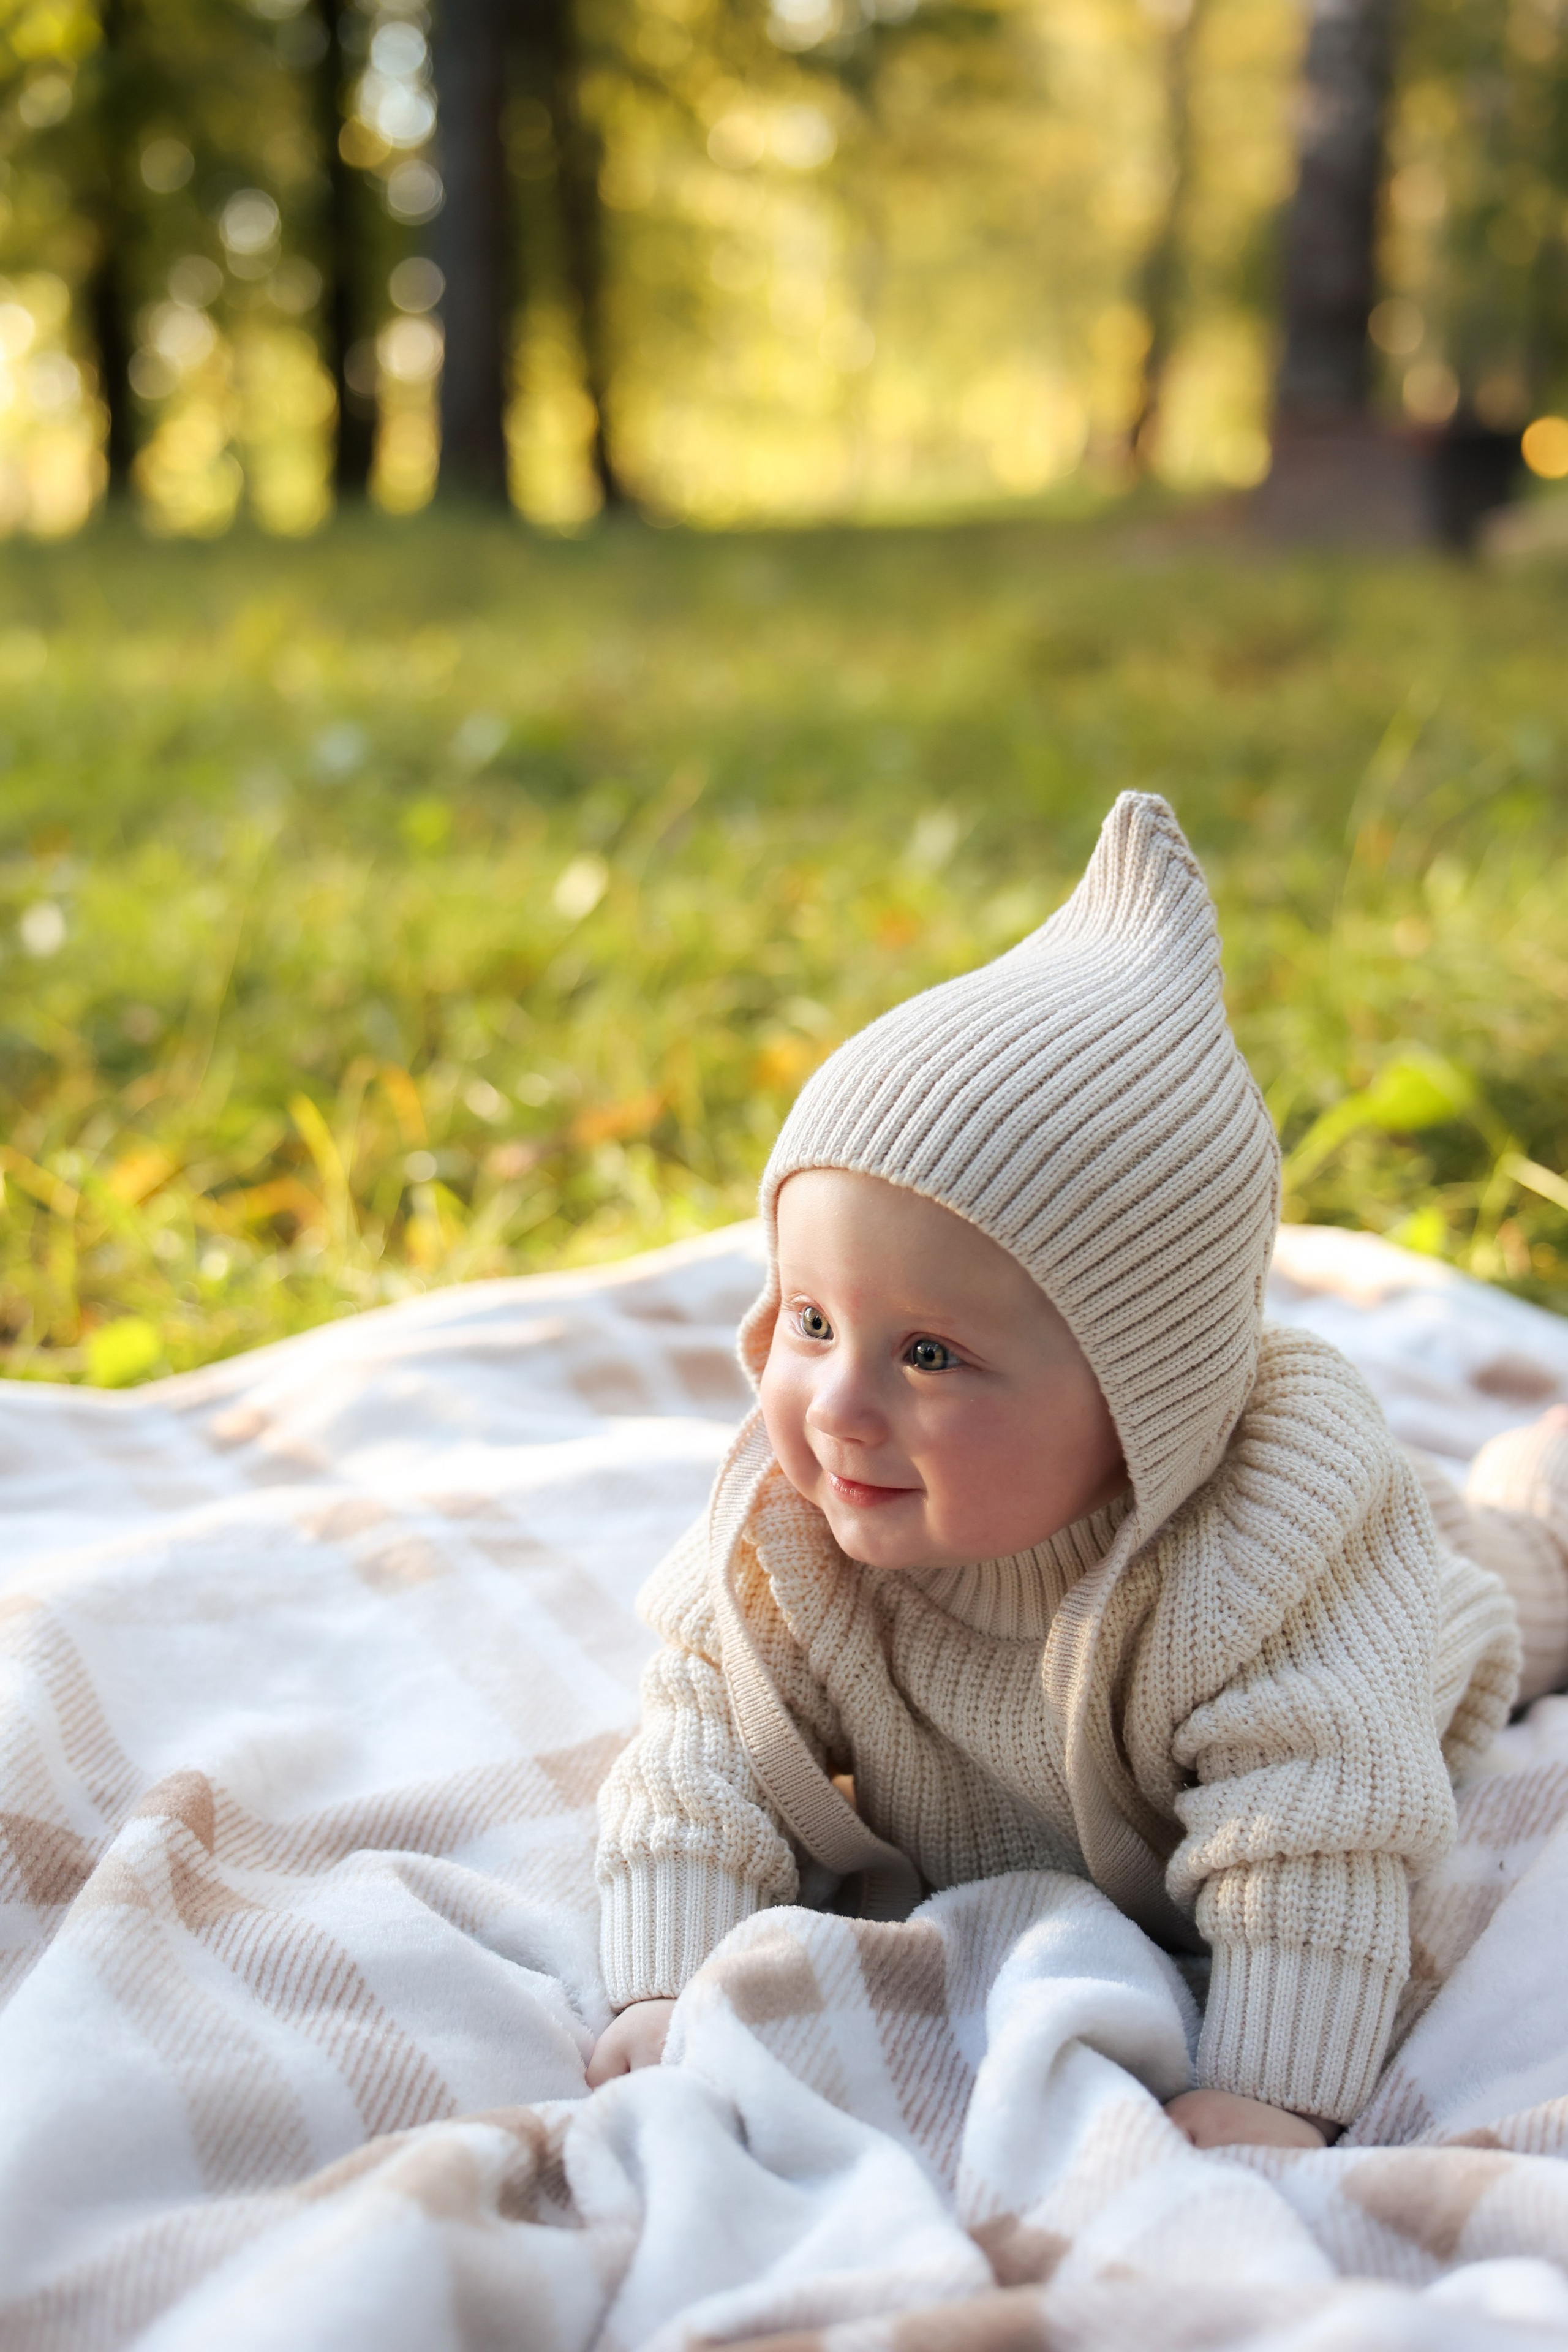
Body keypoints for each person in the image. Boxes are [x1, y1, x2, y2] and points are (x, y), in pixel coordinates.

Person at [587, 791, 1568, 2149]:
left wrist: (1272, 2088)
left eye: (928, 1353)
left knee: (1521, 1573)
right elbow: (698, 1744)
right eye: (810, 1322)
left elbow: (1318, 1835)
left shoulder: (1275, 1568)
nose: (840, 1409)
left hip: (1436, 1604)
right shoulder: (791, 1533)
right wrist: (663, 1974)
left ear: (1139, 1407)